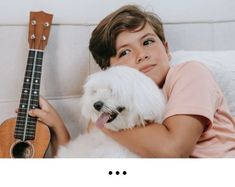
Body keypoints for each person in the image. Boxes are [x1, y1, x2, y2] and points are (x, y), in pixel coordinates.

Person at [28, 5, 235, 157]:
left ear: (166, 49)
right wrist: (58, 128)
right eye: (125, 52)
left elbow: (172, 150)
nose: (141, 55)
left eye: (148, 42)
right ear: (110, 71)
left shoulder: (189, 74)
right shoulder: (115, 107)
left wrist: (102, 120)